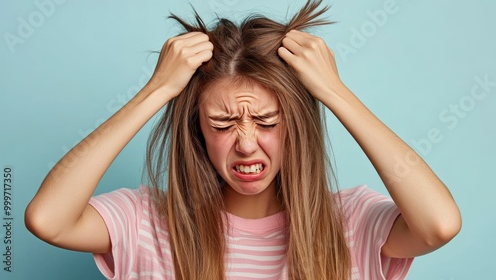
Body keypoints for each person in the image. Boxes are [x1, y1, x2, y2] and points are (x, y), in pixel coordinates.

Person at [25, 0, 461, 279]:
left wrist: (334, 93)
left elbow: (439, 225)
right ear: (197, 131)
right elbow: (48, 219)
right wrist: (156, 90)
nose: (247, 144)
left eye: (268, 122)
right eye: (222, 124)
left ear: (295, 127)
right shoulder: (147, 223)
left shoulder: (353, 223)